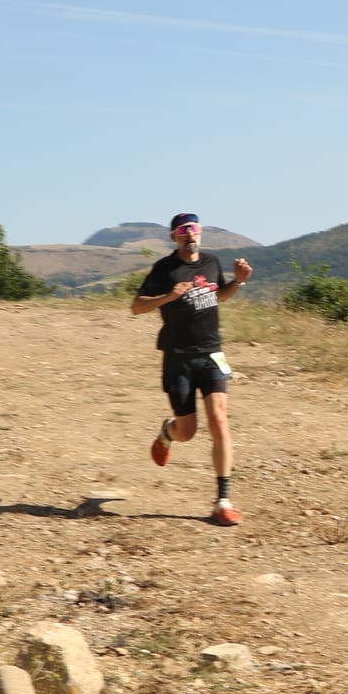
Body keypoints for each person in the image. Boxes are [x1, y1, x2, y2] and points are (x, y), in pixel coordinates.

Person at [130, 213, 252, 526]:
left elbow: (219, 295)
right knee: (188, 431)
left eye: (194, 230)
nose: (190, 235)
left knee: (219, 420)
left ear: (200, 234)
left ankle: (222, 500)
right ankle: (168, 432)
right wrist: (169, 296)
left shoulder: (212, 261)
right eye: (184, 231)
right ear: (174, 237)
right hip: (178, 357)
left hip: (212, 353)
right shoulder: (164, 269)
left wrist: (237, 281)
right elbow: (136, 306)